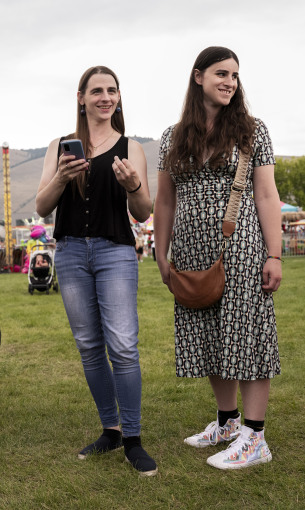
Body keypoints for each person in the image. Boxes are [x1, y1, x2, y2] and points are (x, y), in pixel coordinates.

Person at [153, 46, 283, 470]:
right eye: (221, 73)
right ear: (198, 77)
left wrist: (275, 254)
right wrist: (160, 251)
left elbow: (266, 194)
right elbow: (165, 201)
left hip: (241, 245)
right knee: (210, 337)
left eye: (234, 75)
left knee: (246, 335)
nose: (229, 81)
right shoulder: (173, 137)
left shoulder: (251, 130)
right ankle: (227, 423)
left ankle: (255, 438)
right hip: (190, 249)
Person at [35, 66, 155, 475]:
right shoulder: (59, 147)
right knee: (89, 345)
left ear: (118, 98)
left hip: (115, 252)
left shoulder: (131, 148)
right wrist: (62, 177)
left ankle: (134, 440)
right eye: (97, 91)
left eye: (112, 90)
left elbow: (143, 213)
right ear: (81, 98)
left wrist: (135, 186)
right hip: (69, 252)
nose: (105, 97)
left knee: (122, 344)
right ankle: (112, 428)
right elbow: (41, 206)